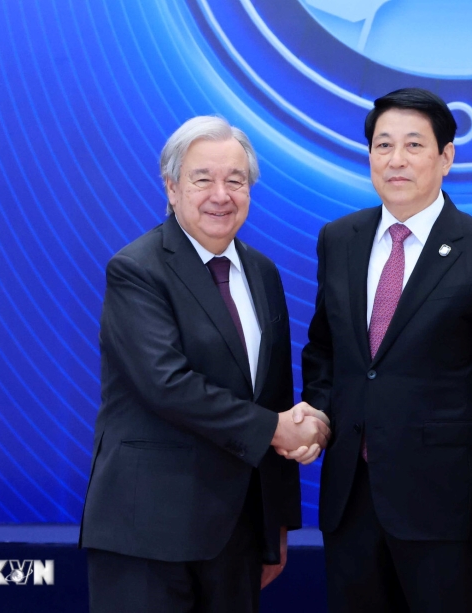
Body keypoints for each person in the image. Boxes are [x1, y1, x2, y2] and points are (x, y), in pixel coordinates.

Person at [80, 115, 330, 613]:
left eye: (235, 180)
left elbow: (274, 394)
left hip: (237, 536)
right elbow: (166, 384)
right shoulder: (136, 269)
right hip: (148, 534)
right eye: (202, 180)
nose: (221, 195)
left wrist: (277, 525)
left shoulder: (262, 272)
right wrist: (277, 430)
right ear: (171, 188)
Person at [301, 88, 472, 612]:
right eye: (383, 145)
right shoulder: (338, 239)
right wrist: (317, 413)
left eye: (413, 144)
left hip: (445, 508)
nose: (396, 159)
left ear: (446, 157)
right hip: (351, 499)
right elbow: (325, 351)